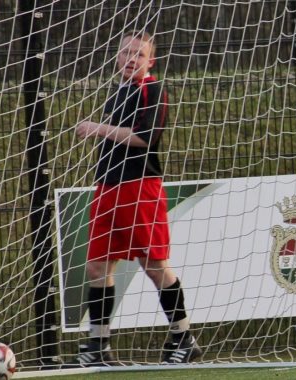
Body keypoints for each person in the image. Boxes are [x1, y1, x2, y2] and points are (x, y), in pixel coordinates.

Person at [66, 31, 202, 367]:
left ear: (150, 61)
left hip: (140, 188)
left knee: (154, 265)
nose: (131, 59)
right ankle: (97, 346)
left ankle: (184, 338)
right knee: (97, 265)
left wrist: (98, 128)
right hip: (107, 188)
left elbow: (144, 138)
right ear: (116, 56)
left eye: (138, 55)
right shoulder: (118, 91)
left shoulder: (152, 90)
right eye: (126, 52)